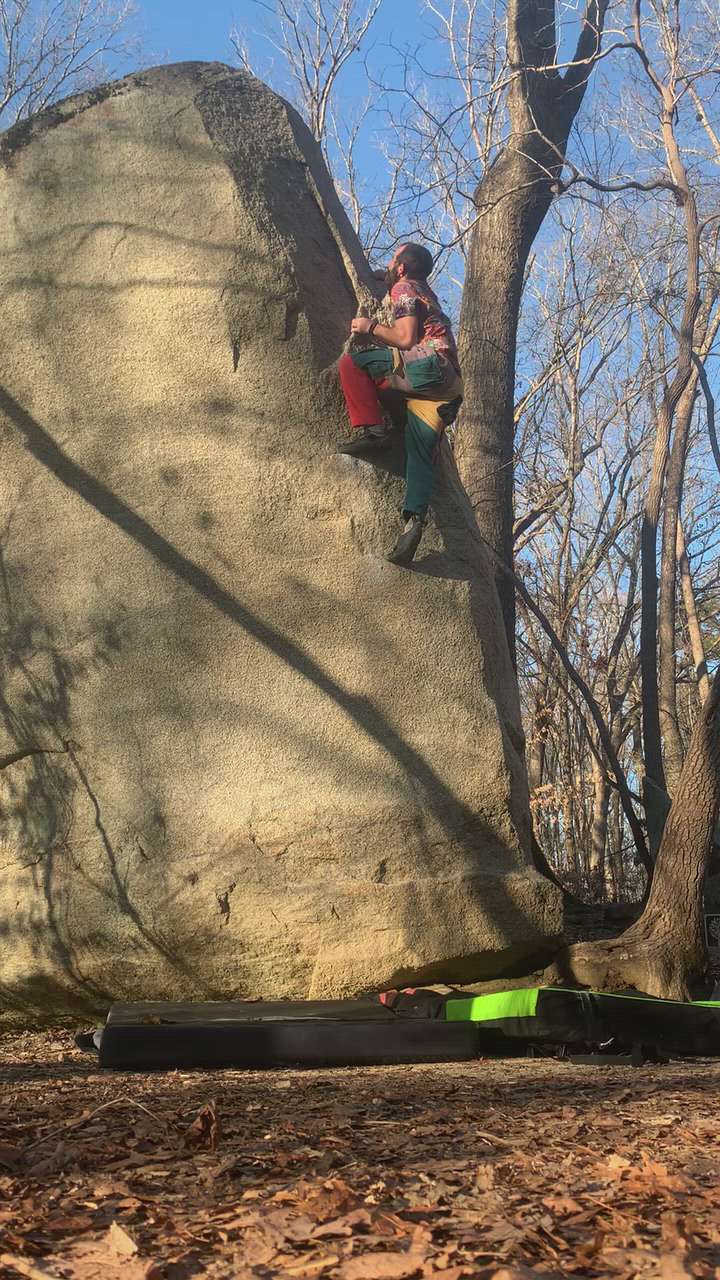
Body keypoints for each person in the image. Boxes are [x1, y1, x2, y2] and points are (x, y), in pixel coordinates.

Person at [337, 242, 463, 566]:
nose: (390, 265)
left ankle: (374, 430)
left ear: (403, 268)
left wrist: (370, 328)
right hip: (446, 386)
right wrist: (383, 277)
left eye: (393, 260)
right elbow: (399, 287)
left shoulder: (404, 288)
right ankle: (413, 524)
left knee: (353, 365)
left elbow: (406, 339)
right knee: (419, 452)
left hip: (427, 365)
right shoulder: (421, 290)